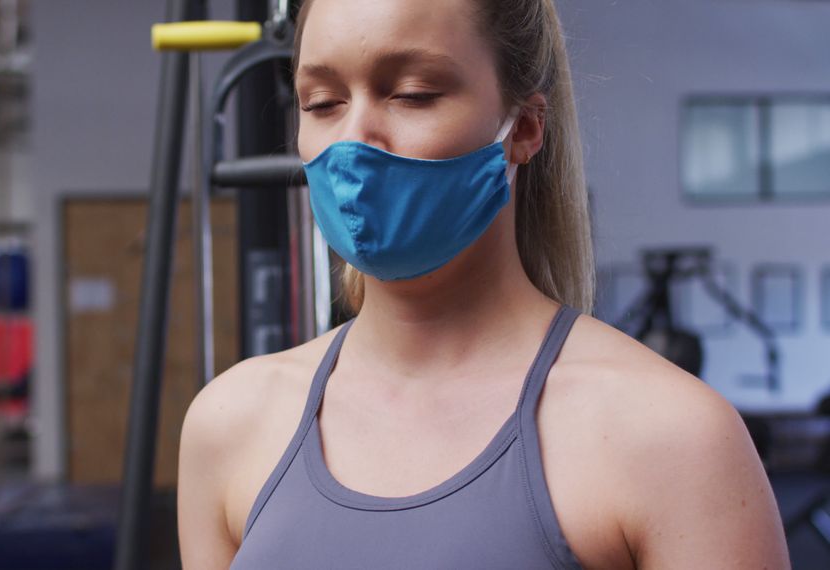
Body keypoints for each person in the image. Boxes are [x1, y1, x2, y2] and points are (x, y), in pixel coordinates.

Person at [177, 0, 791, 567]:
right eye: (321, 102)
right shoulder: (231, 423)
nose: (352, 142)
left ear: (524, 127)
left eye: (413, 94)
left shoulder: (672, 437)